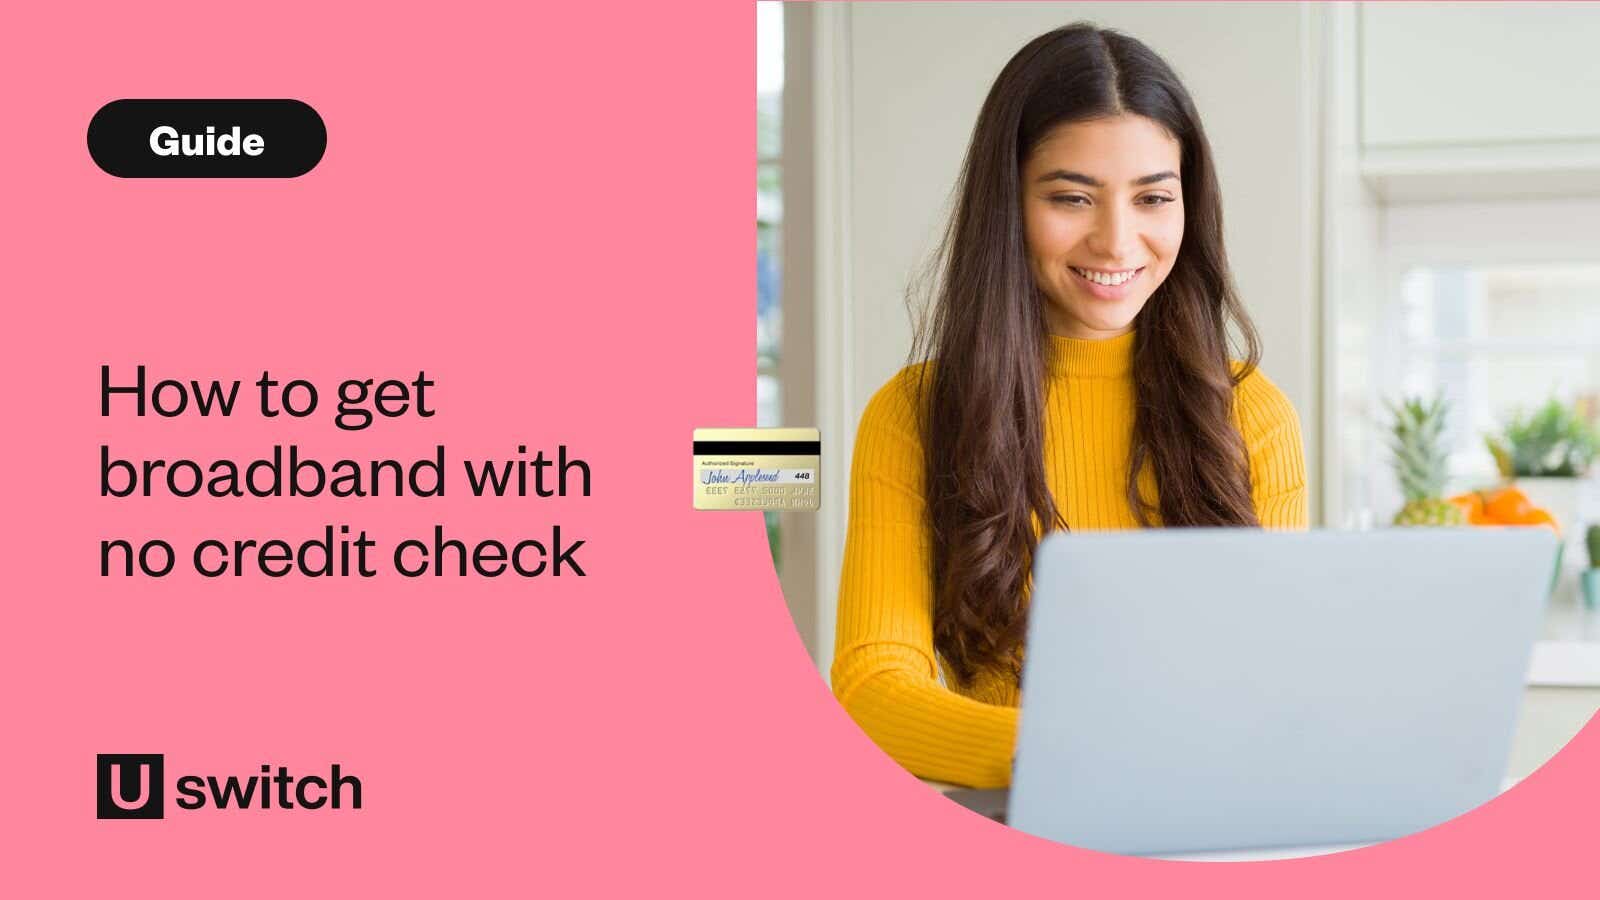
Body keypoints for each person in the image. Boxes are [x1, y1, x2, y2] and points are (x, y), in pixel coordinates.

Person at [830, 23, 1308, 789]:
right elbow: (873, 687)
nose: (1118, 242)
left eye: (1153, 197)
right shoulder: (915, 413)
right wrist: (1066, 755)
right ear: (1008, 202)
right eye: (1072, 197)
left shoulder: (1252, 412)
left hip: (1212, 818)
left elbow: (1279, 683)